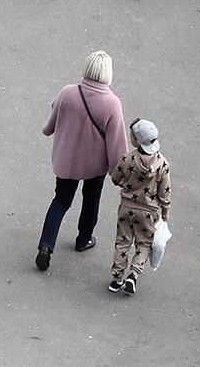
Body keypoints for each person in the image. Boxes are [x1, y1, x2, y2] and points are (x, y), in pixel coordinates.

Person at [35, 51, 129, 271]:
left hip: (67, 160)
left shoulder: (68, 92)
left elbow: (53, 116)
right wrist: (119, 171)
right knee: (91, 198)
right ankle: (83, 239)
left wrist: (48, 129)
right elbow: (117, 140)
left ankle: (45, 246)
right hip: (94, 165)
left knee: (60, 201)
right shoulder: (112, 103)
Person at [108, 118, 171, 295]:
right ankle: (133, 275)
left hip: (126, 207)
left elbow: (115, 178)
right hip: (149, 211)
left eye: (132, 136)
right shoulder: (162, 164)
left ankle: (117, 279)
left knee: (123, 241)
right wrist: (165, 211)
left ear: (137, 141)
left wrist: (124, 184)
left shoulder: (128, 158)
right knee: (144, 243)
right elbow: (164, 193)